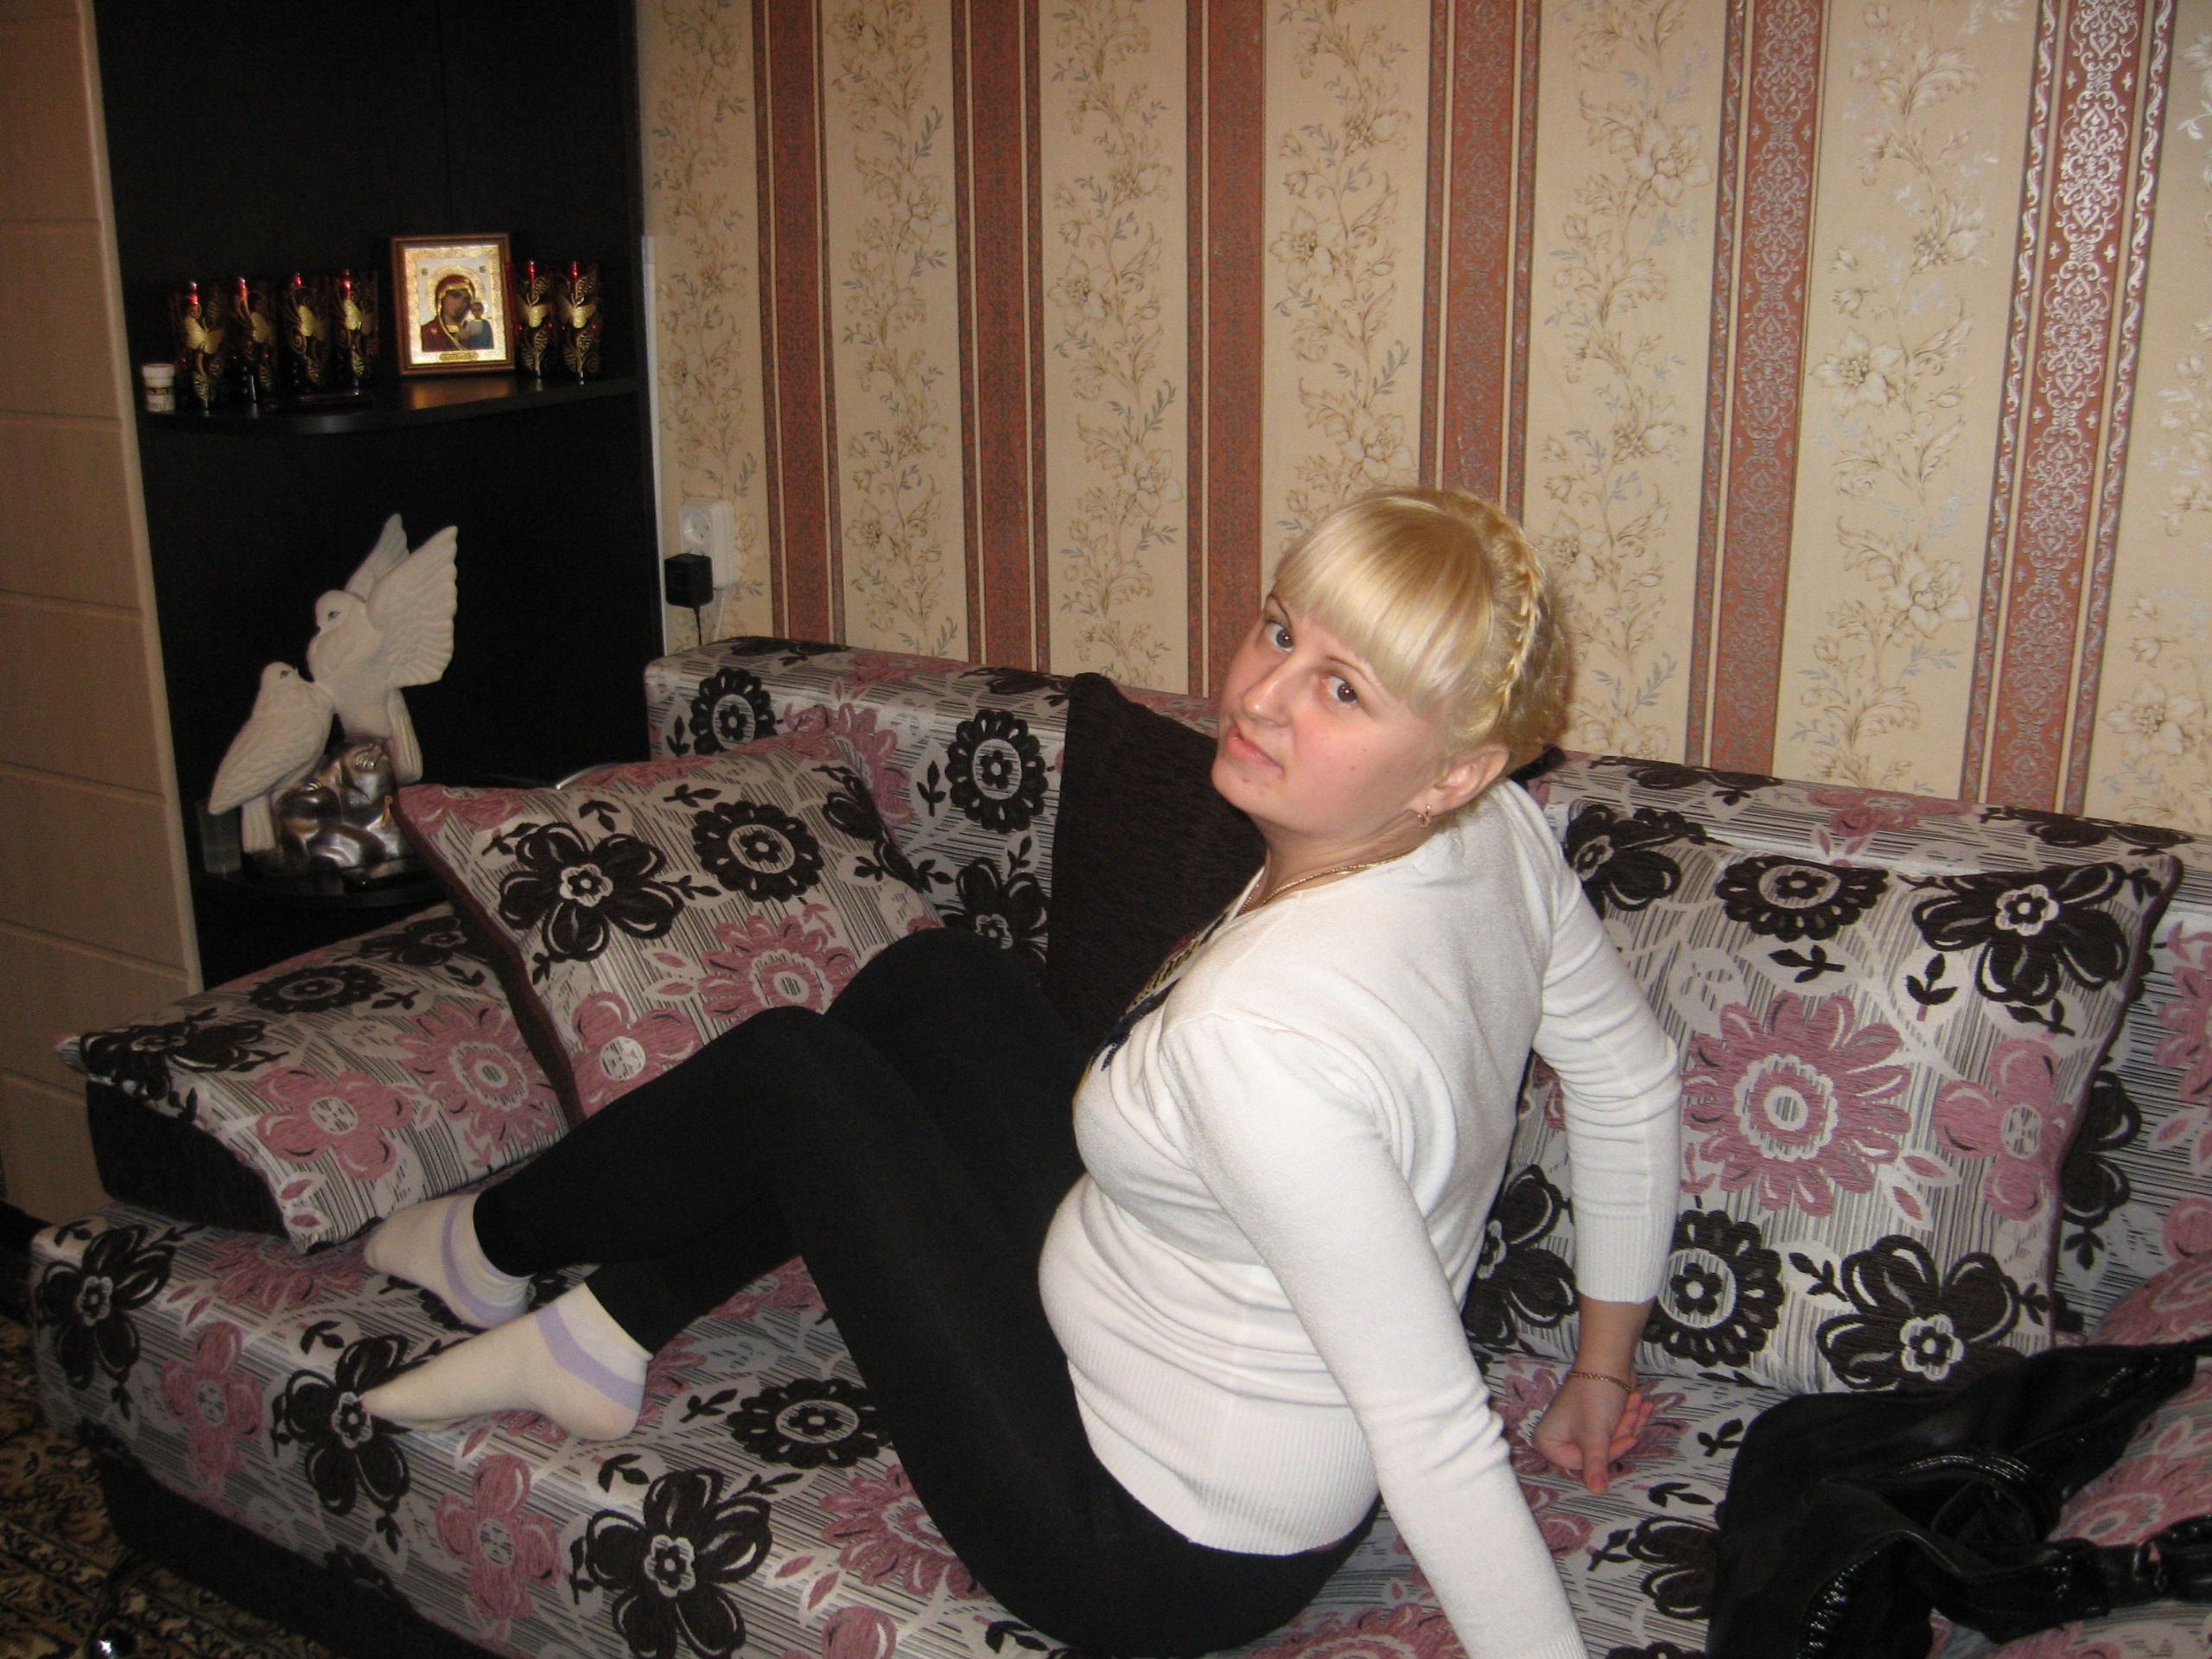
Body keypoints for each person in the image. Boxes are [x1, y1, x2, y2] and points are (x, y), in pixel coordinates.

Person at [360, 488, 1681, 1659]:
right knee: (935, 982)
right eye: (1282, 630)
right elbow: (1631, 1079)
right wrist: (1601, 1371)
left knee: (792, 1075)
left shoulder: (1265, 1043)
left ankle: (490, 1243)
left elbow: (1436, 1431)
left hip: (1145, 1535)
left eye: (1345, 690)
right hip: (1187, 1352)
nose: (1265, 696)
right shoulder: (1493, 833)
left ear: (1454, 766)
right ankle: (601, 1331)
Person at [418, 270, 493, 353]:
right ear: (441, 298)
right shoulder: (426, 333)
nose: (461, 304)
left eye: (466, 299)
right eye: (456, 296)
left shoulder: (476, 330)